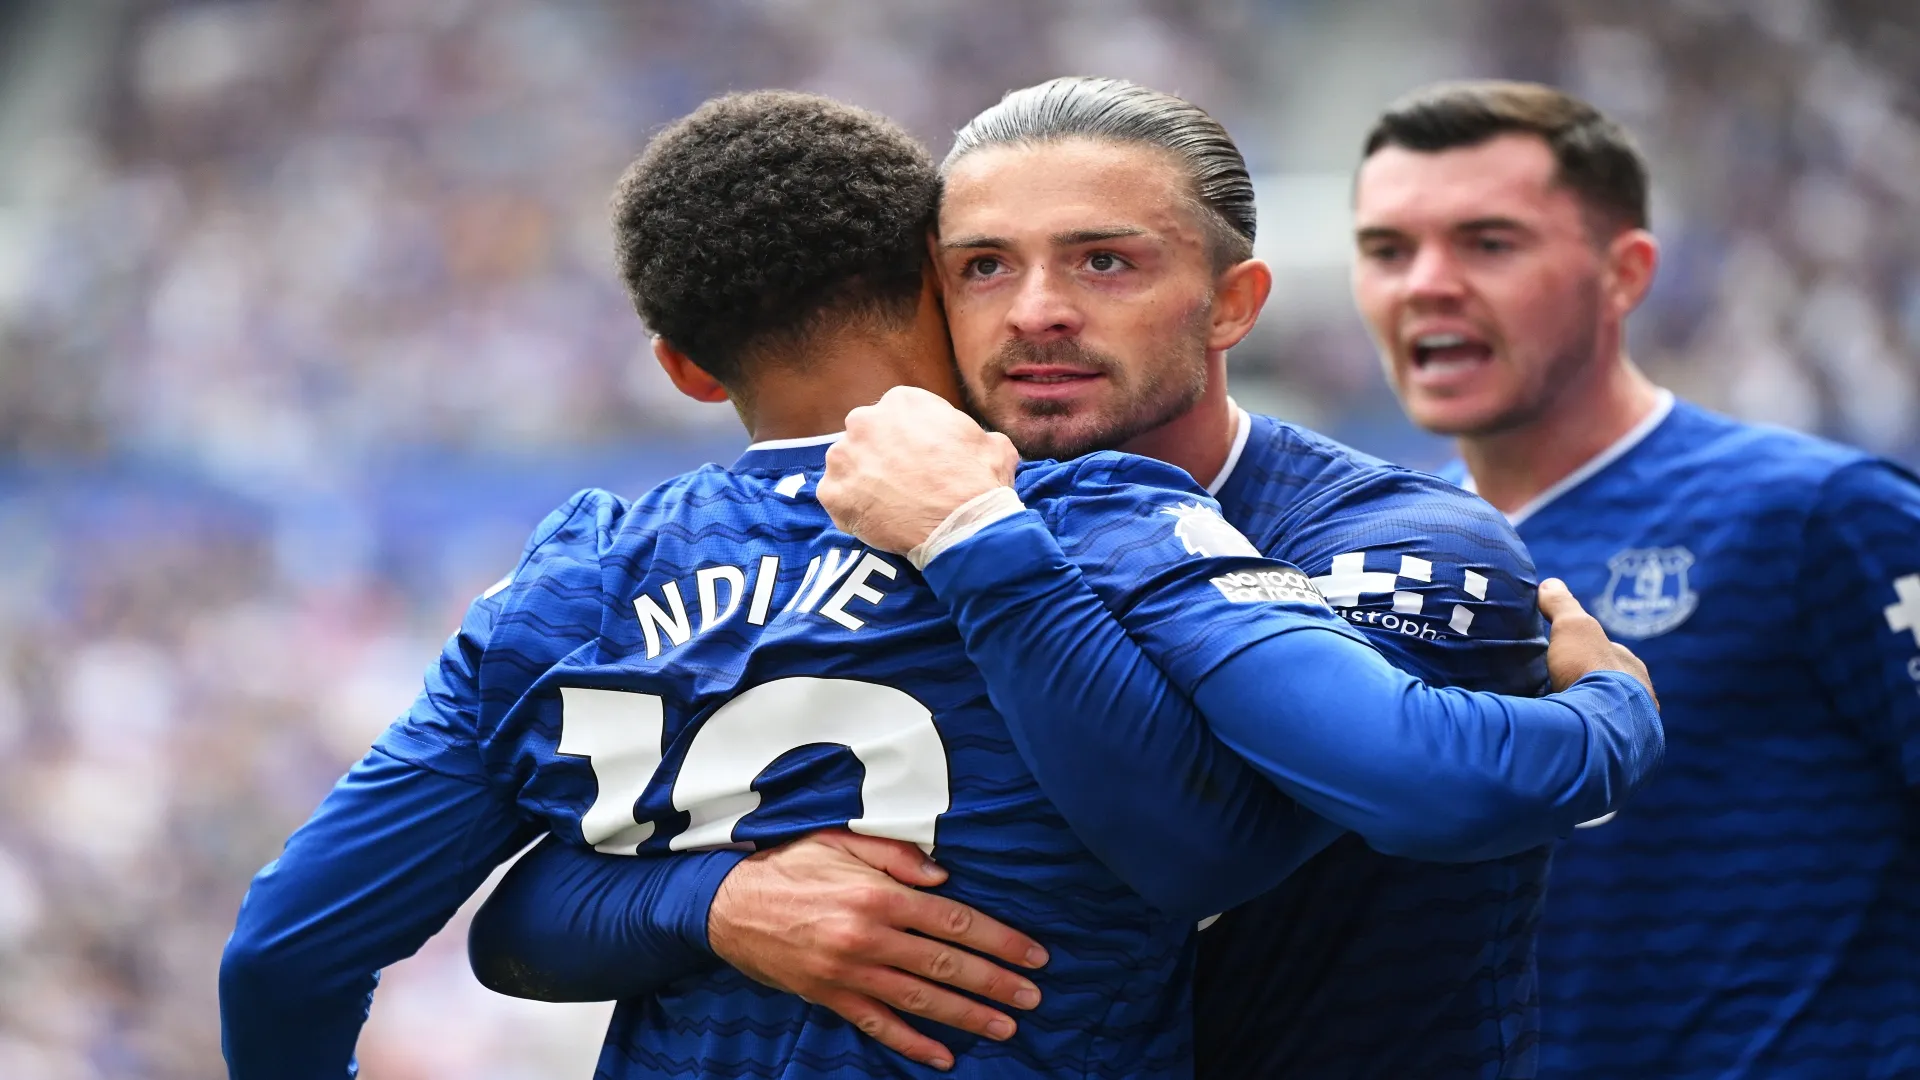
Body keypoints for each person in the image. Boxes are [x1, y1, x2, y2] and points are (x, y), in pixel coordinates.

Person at [217, 88, 1655, 1080]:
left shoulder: (576, 572)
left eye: (1100, 262)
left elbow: (303, 949)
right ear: (933, 289)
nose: (1037, 311)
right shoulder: (1091, 512)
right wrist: (712, 904)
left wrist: (673, 900)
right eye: (988, 267)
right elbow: (1205, 853)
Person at [1349, 79, 1920, 1078]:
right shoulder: (1365, 556)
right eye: (1388, 250)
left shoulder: (1820, 514)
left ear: (1626, 273)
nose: (1425, 284)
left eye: (1489, 242)